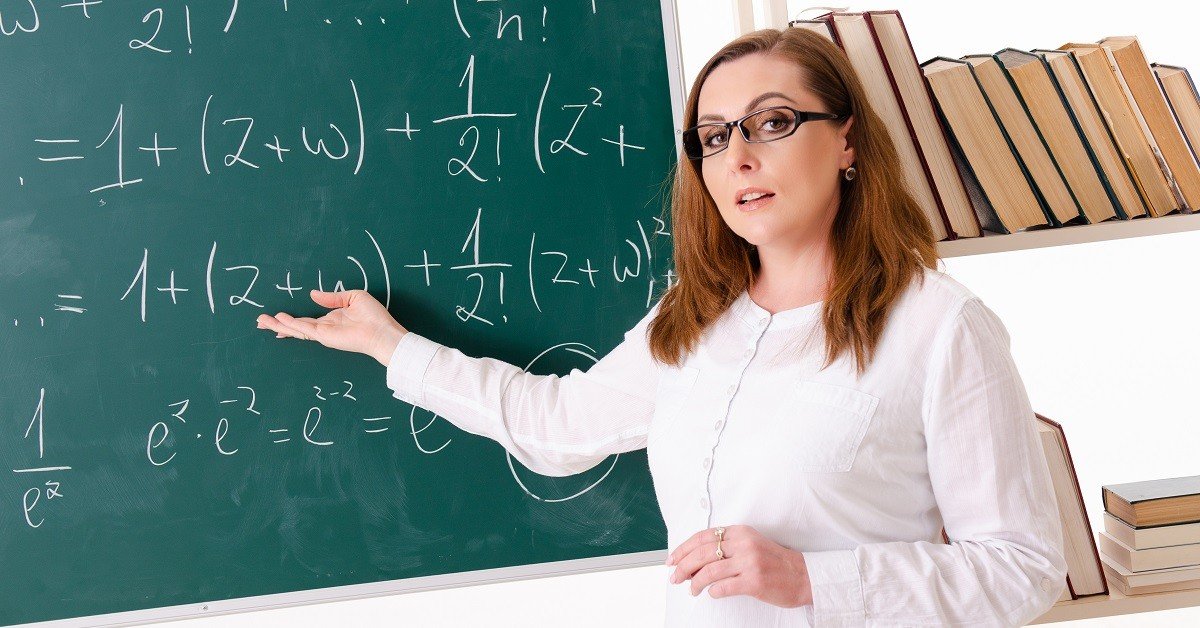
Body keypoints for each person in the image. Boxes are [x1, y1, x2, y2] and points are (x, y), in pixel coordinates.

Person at [257, 27, 1067, 627]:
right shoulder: (695, 317)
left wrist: (811, 580)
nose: (739, 156)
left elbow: (1023, 569)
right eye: (714, 137)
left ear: (847, 140)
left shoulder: (940, 327)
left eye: (773, 122)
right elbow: (558, 427)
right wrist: (389, 345)